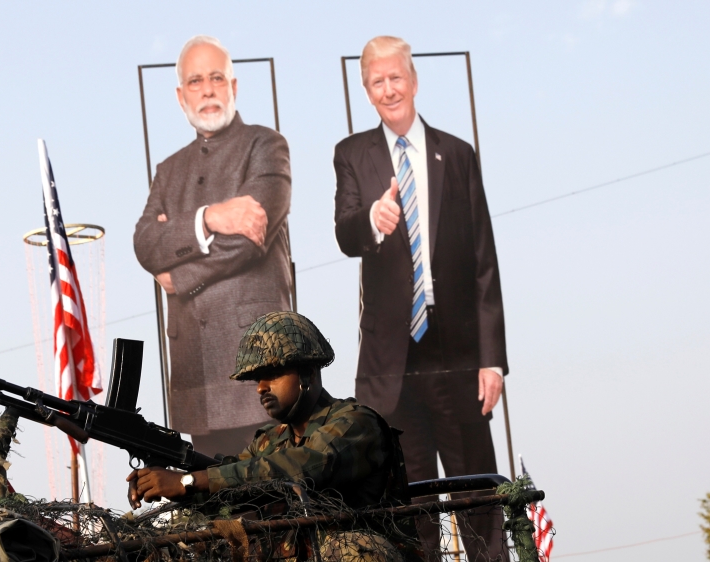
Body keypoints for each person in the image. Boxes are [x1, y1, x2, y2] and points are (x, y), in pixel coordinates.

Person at [333, 35, 509, 560]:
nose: (388, 90)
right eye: (376, 82)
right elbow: (345, 233)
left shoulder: (457, 155)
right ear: (366, 91)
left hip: (457, 356)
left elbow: (483, 260)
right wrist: (373, 218)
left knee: (477, 496)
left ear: (413, 81)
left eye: (395, 78)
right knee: (408, 510)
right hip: (391, 364)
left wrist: (492, 360)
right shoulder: (351, 155)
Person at [133, 35, 292, 455]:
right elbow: (145, 243)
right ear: (181, 95)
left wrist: (180, 273)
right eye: (196, 81)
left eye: (217, 78)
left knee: (277, 493)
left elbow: (249, 244)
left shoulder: (266, 145)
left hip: (261, 369)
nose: (207, 90)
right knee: (211, 497)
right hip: (195, 378)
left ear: (233, 86)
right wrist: (209, 218)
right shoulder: (168, 170)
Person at [127, 311, 405, 511]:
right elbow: (232, 486)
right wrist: (161, 483)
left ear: (308, 374)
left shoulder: (356, 423)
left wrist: (188, 481)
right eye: (256, 379)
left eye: (272, 374)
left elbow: (303, 466)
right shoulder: (270, 441)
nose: (261, 388)